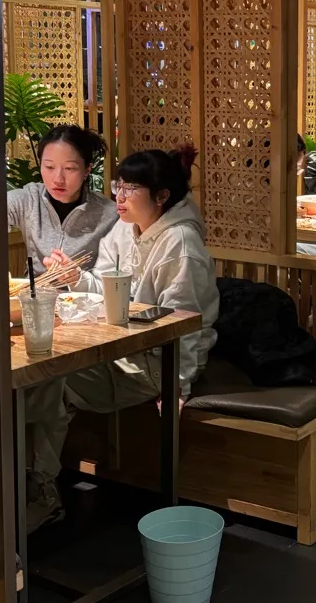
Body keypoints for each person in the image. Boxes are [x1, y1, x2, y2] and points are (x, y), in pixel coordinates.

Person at [25, 146, 219, 530]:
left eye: (131, 189)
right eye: (118, 186)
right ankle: (27, 483)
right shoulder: (125, 227)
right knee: (38, 374)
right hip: (121, 347)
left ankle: (41, 492)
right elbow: (107, 288)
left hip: (156, 361)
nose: (120, 196)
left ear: (161, 197)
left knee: (54, 380)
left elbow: (187, 325)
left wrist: (177, 386)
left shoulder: (180, 244)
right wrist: (76, 277)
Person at [0, 123, 116, 281]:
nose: (58, 178)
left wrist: (78, 278)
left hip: (86, 302)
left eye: (69, 168)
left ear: (87, 170)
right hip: (34, 296)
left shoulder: (108, 214)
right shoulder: (31, 199)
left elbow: (113, 280)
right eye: (49, 167)